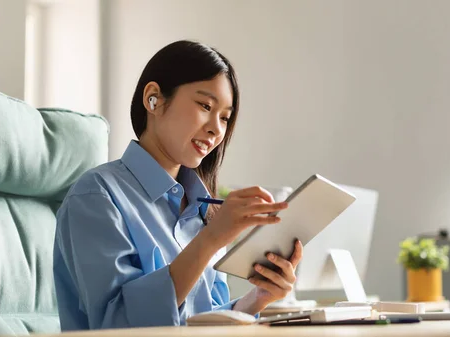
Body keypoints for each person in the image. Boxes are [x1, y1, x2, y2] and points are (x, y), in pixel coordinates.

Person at [53, 40, 302, 330]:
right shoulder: (95, 196)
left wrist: (258, 298)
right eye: (205, 106)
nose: (216, 128)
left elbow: (200, 320)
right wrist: (210, 241)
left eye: (225, 117)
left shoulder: (201, 209)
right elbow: (117, 326)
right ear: (154, 99)